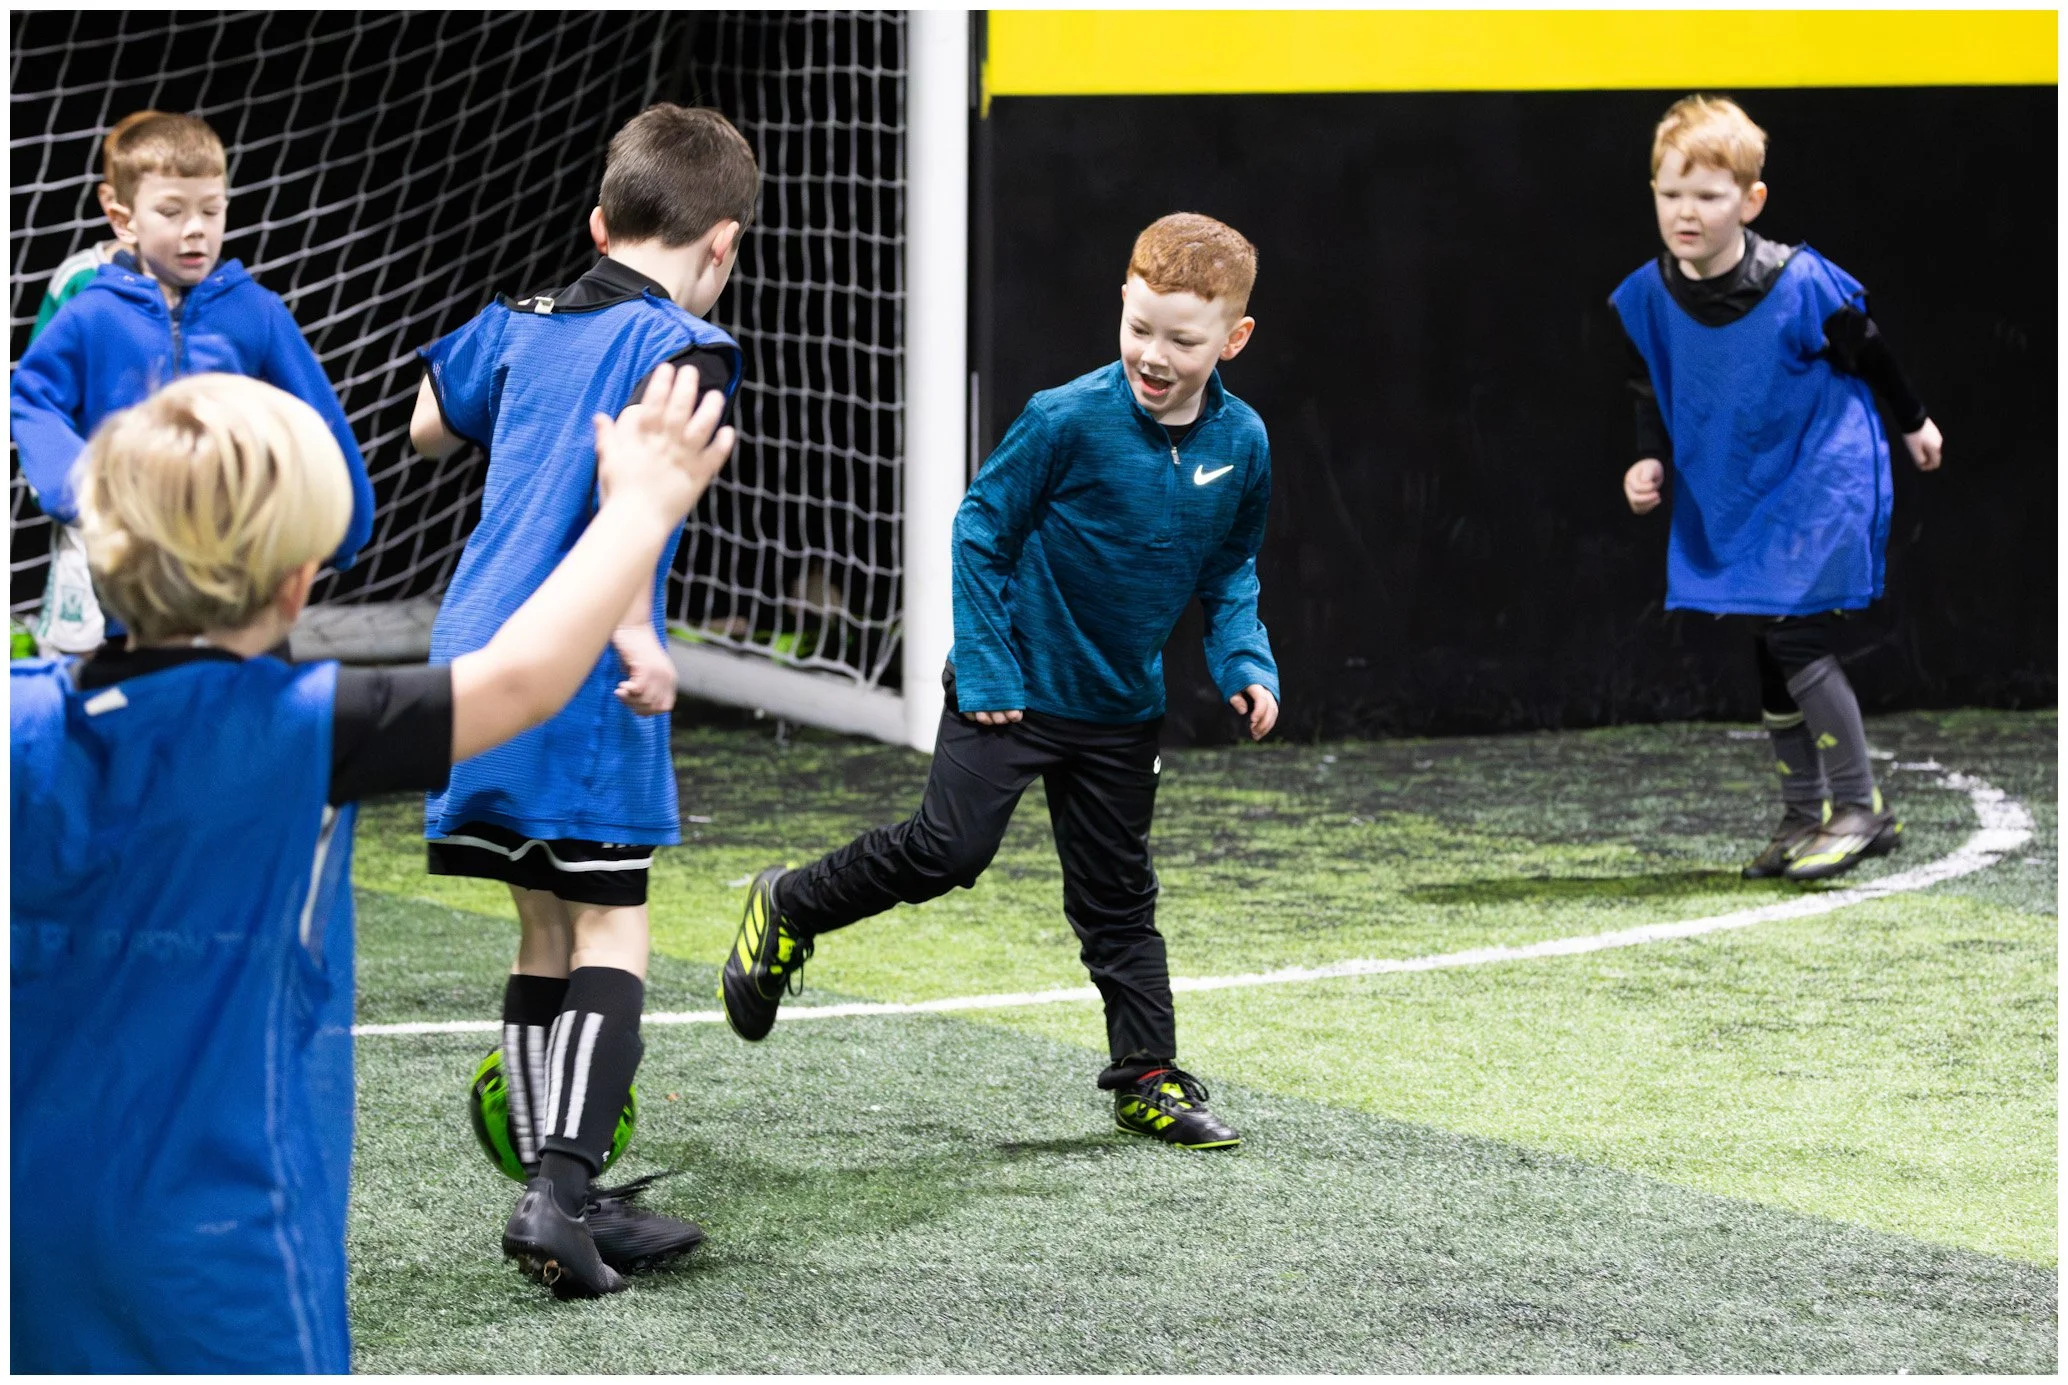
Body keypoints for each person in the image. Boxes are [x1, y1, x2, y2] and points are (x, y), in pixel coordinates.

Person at [11, 366, 737, 1370]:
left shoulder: (18, 718)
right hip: (227, 1256)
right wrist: (641, 509)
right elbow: (525, 675)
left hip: (26, 1244)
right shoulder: (300, 727)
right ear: (297, 577)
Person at [720, 212, 1279, 1149]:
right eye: (1138, 326)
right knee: (948, 853)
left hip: (1118, 710)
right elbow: (980, 529)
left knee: (1118, 899)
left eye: (1181, 340)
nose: (1153, 354)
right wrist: (984, 662)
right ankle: (790, 905)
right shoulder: (1064, 419)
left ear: (1234, 339)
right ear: (1123, 305)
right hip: (1009, 690)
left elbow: (1230, 568)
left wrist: (1245, 661)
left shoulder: (1244, 445)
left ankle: (1147, 1077)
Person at [408, 103, 758, 1294]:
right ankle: (557, 1192)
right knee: (614, 926)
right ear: (722, 245)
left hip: (468, 647)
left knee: (543, 925)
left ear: (600, 223)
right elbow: (629, 490)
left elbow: (425, 428)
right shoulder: (683, 346)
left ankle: (575, 1189)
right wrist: (636, 632)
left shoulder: (517, 318)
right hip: (578, 661)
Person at [1612, 95, 1945, 883]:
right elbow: (1648, 387)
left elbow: (1870, 352)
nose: (1685, 212)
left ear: (1751, 201)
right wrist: (1646, 458)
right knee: (1769, 647)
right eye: (1671, 194)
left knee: (1794, 636)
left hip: (1820, 477)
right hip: (1742, 488)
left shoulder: (1799, 284)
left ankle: (1858, 807)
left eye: (1708, 195)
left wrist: (1916, 423)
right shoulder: (1651, 295)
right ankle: (1805, 812)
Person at [10, 111, 376, 656]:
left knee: (245, 726)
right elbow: (32, 397)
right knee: (140, 727)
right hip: (132, 604)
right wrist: (87, 492)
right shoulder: (93, 314)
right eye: (171, 211)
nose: (195, 229)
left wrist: (347, 522)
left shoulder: (256, 313)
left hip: (244, 594)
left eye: (211, 209)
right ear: (121, 216)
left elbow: (315, 417)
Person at [28, 111, 166, 344]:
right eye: (168, 208)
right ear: (111, 202)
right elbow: (42, 373)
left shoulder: (205, 275)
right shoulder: (78, 279)